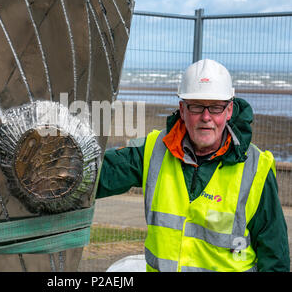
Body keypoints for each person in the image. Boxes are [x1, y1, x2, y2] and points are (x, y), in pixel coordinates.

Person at [96, 59, 290, 272]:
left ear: (229, 110)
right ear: (182, 109)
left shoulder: (256, 169)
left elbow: (275, 258)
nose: (206, 117)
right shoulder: (154, 151)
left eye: (215, 107)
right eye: (197, 106)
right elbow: (97, 175)